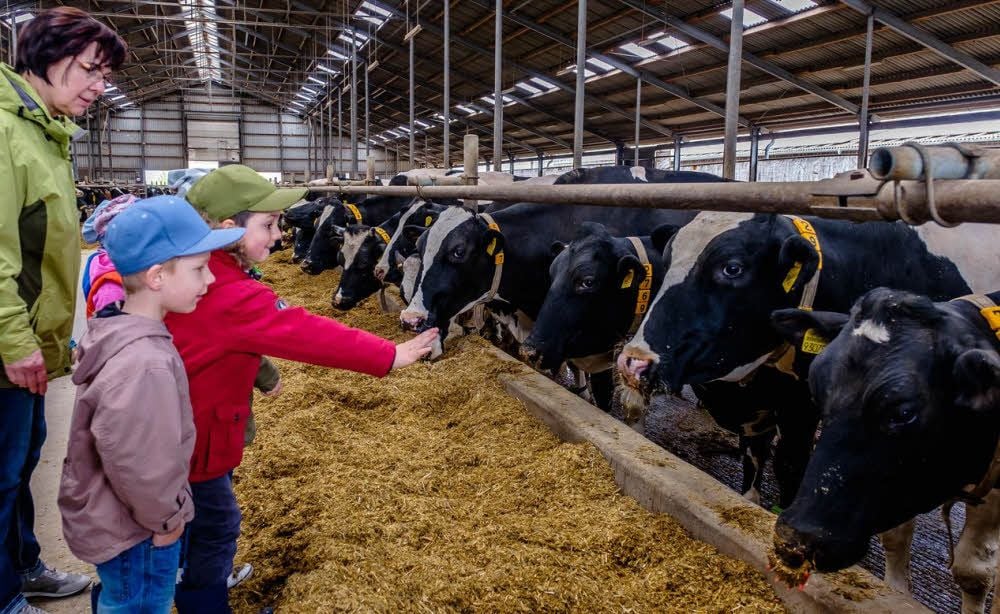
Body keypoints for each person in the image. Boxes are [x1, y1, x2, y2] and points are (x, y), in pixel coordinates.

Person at [164, 165, 439, 612]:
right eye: (268, 225)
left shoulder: (192, 271)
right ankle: (204, 601)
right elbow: (304, 332)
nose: (278, 236)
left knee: (191, 529)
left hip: (179, 435)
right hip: (196, 447)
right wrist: (390, 355)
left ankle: (191, 586)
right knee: (214, 527)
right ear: (228, 227)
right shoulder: (231, 293)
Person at [58, 196, 245, 613]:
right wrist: (166, 522)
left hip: (129, 520)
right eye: (199, 268)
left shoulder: (125, 333)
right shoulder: (144, 362)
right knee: (139, 604)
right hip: (139, 531)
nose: (210, 280)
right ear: (158, 277)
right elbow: (137, 460)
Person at [0, 8, 126, 614]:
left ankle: (23, 567)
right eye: (90, 70)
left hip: (32, 345)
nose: (100, 86)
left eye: (104, 74)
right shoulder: (5, 130)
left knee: (20, 465)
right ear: (45, 59)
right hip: (6, 346)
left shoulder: (42, 131)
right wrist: (13, 339)